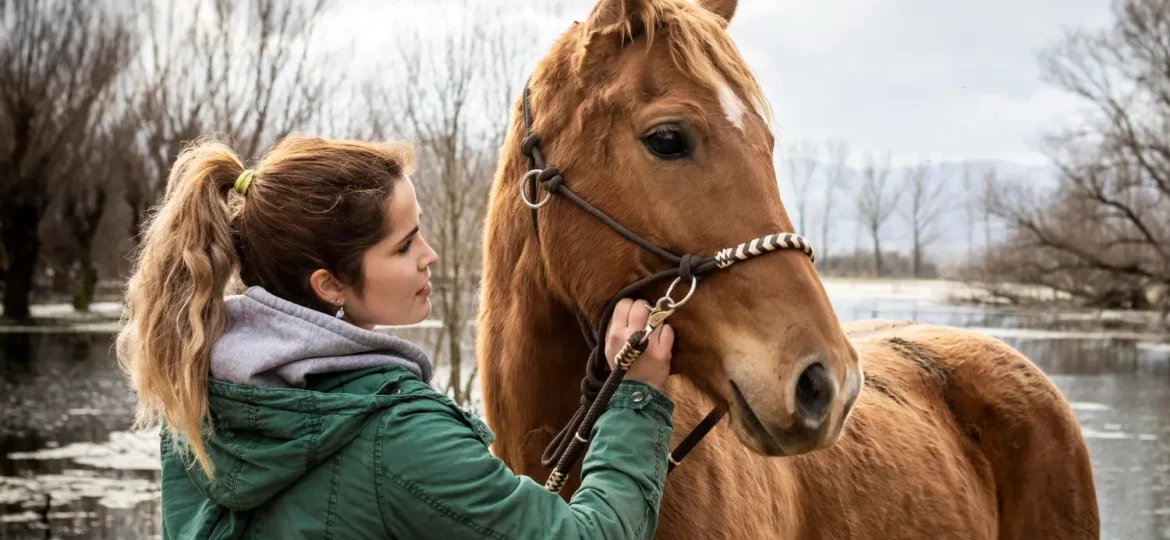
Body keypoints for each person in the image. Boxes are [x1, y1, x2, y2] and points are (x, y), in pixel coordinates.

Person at [115, 134, 677, 539]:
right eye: (404, 246)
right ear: (330, 283)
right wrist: (637, 398)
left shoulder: (195, 395)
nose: (430, 256)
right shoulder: (397, 433)